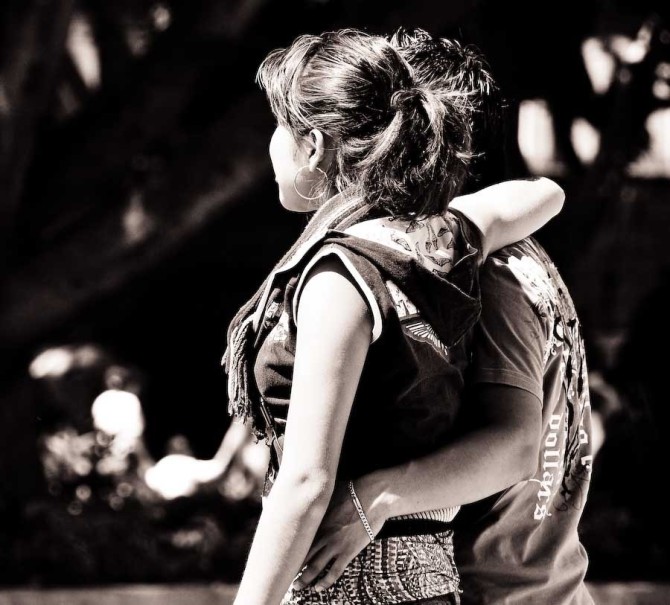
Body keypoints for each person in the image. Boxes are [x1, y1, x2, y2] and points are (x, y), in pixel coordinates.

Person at [223, 28, 564, 605]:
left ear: (313, 144)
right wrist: (431, 222)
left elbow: (306, 483)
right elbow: (545, 194)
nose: (271, 146)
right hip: (428, 587)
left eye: (278, 126)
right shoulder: (438, 242)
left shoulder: (339, 278)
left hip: (345, 589)